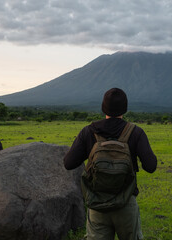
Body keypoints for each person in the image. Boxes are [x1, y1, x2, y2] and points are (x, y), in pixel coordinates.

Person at [63, 88, 157, 240]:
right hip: (126, 204)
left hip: (97, 204)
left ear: (103, 107)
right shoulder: (136, 132)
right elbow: (151, 167)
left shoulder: (88, 131)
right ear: (125, 108)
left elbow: (68, 163)